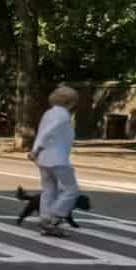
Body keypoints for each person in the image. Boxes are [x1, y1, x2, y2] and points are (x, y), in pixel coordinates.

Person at [29, 84, 80, 238]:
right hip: (57, 159)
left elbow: (41, 132)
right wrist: (36, 149)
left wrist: (36, 150)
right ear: (70, 101)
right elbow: (47, 132)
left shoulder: (49, 113)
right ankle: (52, 217)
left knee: (49, 189)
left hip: (44, 158)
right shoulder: (63, 115)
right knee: (71, 190)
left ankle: (45, 220)